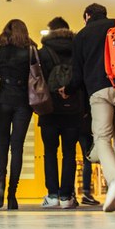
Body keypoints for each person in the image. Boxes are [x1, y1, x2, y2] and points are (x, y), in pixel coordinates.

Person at [61, 3, 115, 212]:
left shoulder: (82, 36)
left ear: (87, 16)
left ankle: (114, 181)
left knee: (102, 138)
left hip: (99, 91)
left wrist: (68, 90)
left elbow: (78, 74)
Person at [0, 19, 35, 210]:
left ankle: (0, 182)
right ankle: (12, 194)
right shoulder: (31, 49)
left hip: (1, 101)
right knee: (17, 147)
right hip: (23, 102)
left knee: (2, 144)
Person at [37, 16, 82, 209]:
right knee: (69, 153)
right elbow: (81, 78)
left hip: (49, 109)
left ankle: (52, 195)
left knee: (50, 152)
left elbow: (37, 80)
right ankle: (66, 197)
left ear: (50, 31)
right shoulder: (77, 49)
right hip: (73, 108)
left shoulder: (43, 52)